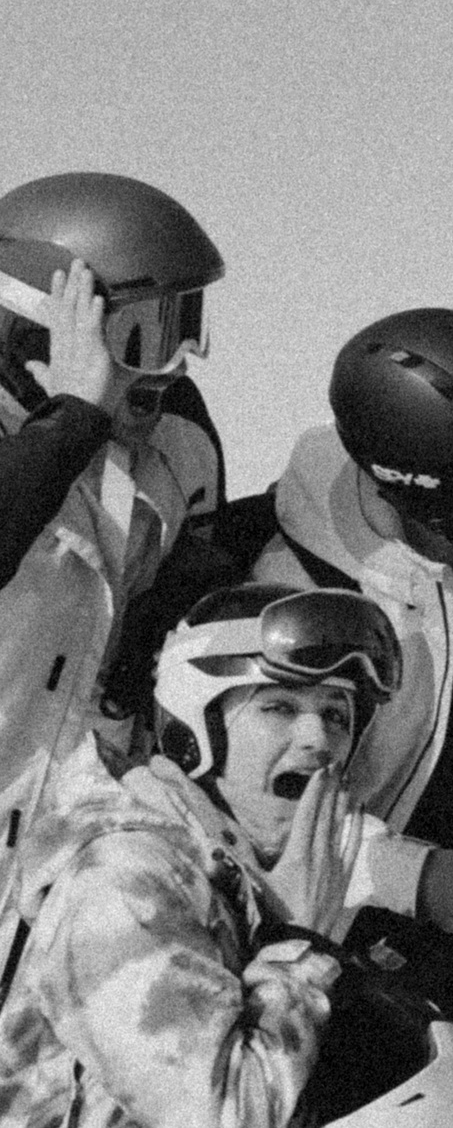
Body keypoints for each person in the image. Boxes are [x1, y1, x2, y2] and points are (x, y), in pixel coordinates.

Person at [0, 580, 453, 1128]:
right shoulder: (127, 877)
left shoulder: (230, 867)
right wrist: (300, 948)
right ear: (195, 732)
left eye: (336, 715)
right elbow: (226, 1117)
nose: (319, 740)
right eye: (278, 707)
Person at [236, 308, 453, 1094]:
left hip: (441, 912)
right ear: (420, 482)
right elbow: (267, 809)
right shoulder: (298, 598)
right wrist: (411, 878)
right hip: (313, 920)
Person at [0, 171, 231, 1004]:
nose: (175, 367)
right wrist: (69, 420)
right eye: (141, 333)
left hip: (62, 853)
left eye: (188, 327)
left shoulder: (175, 448)